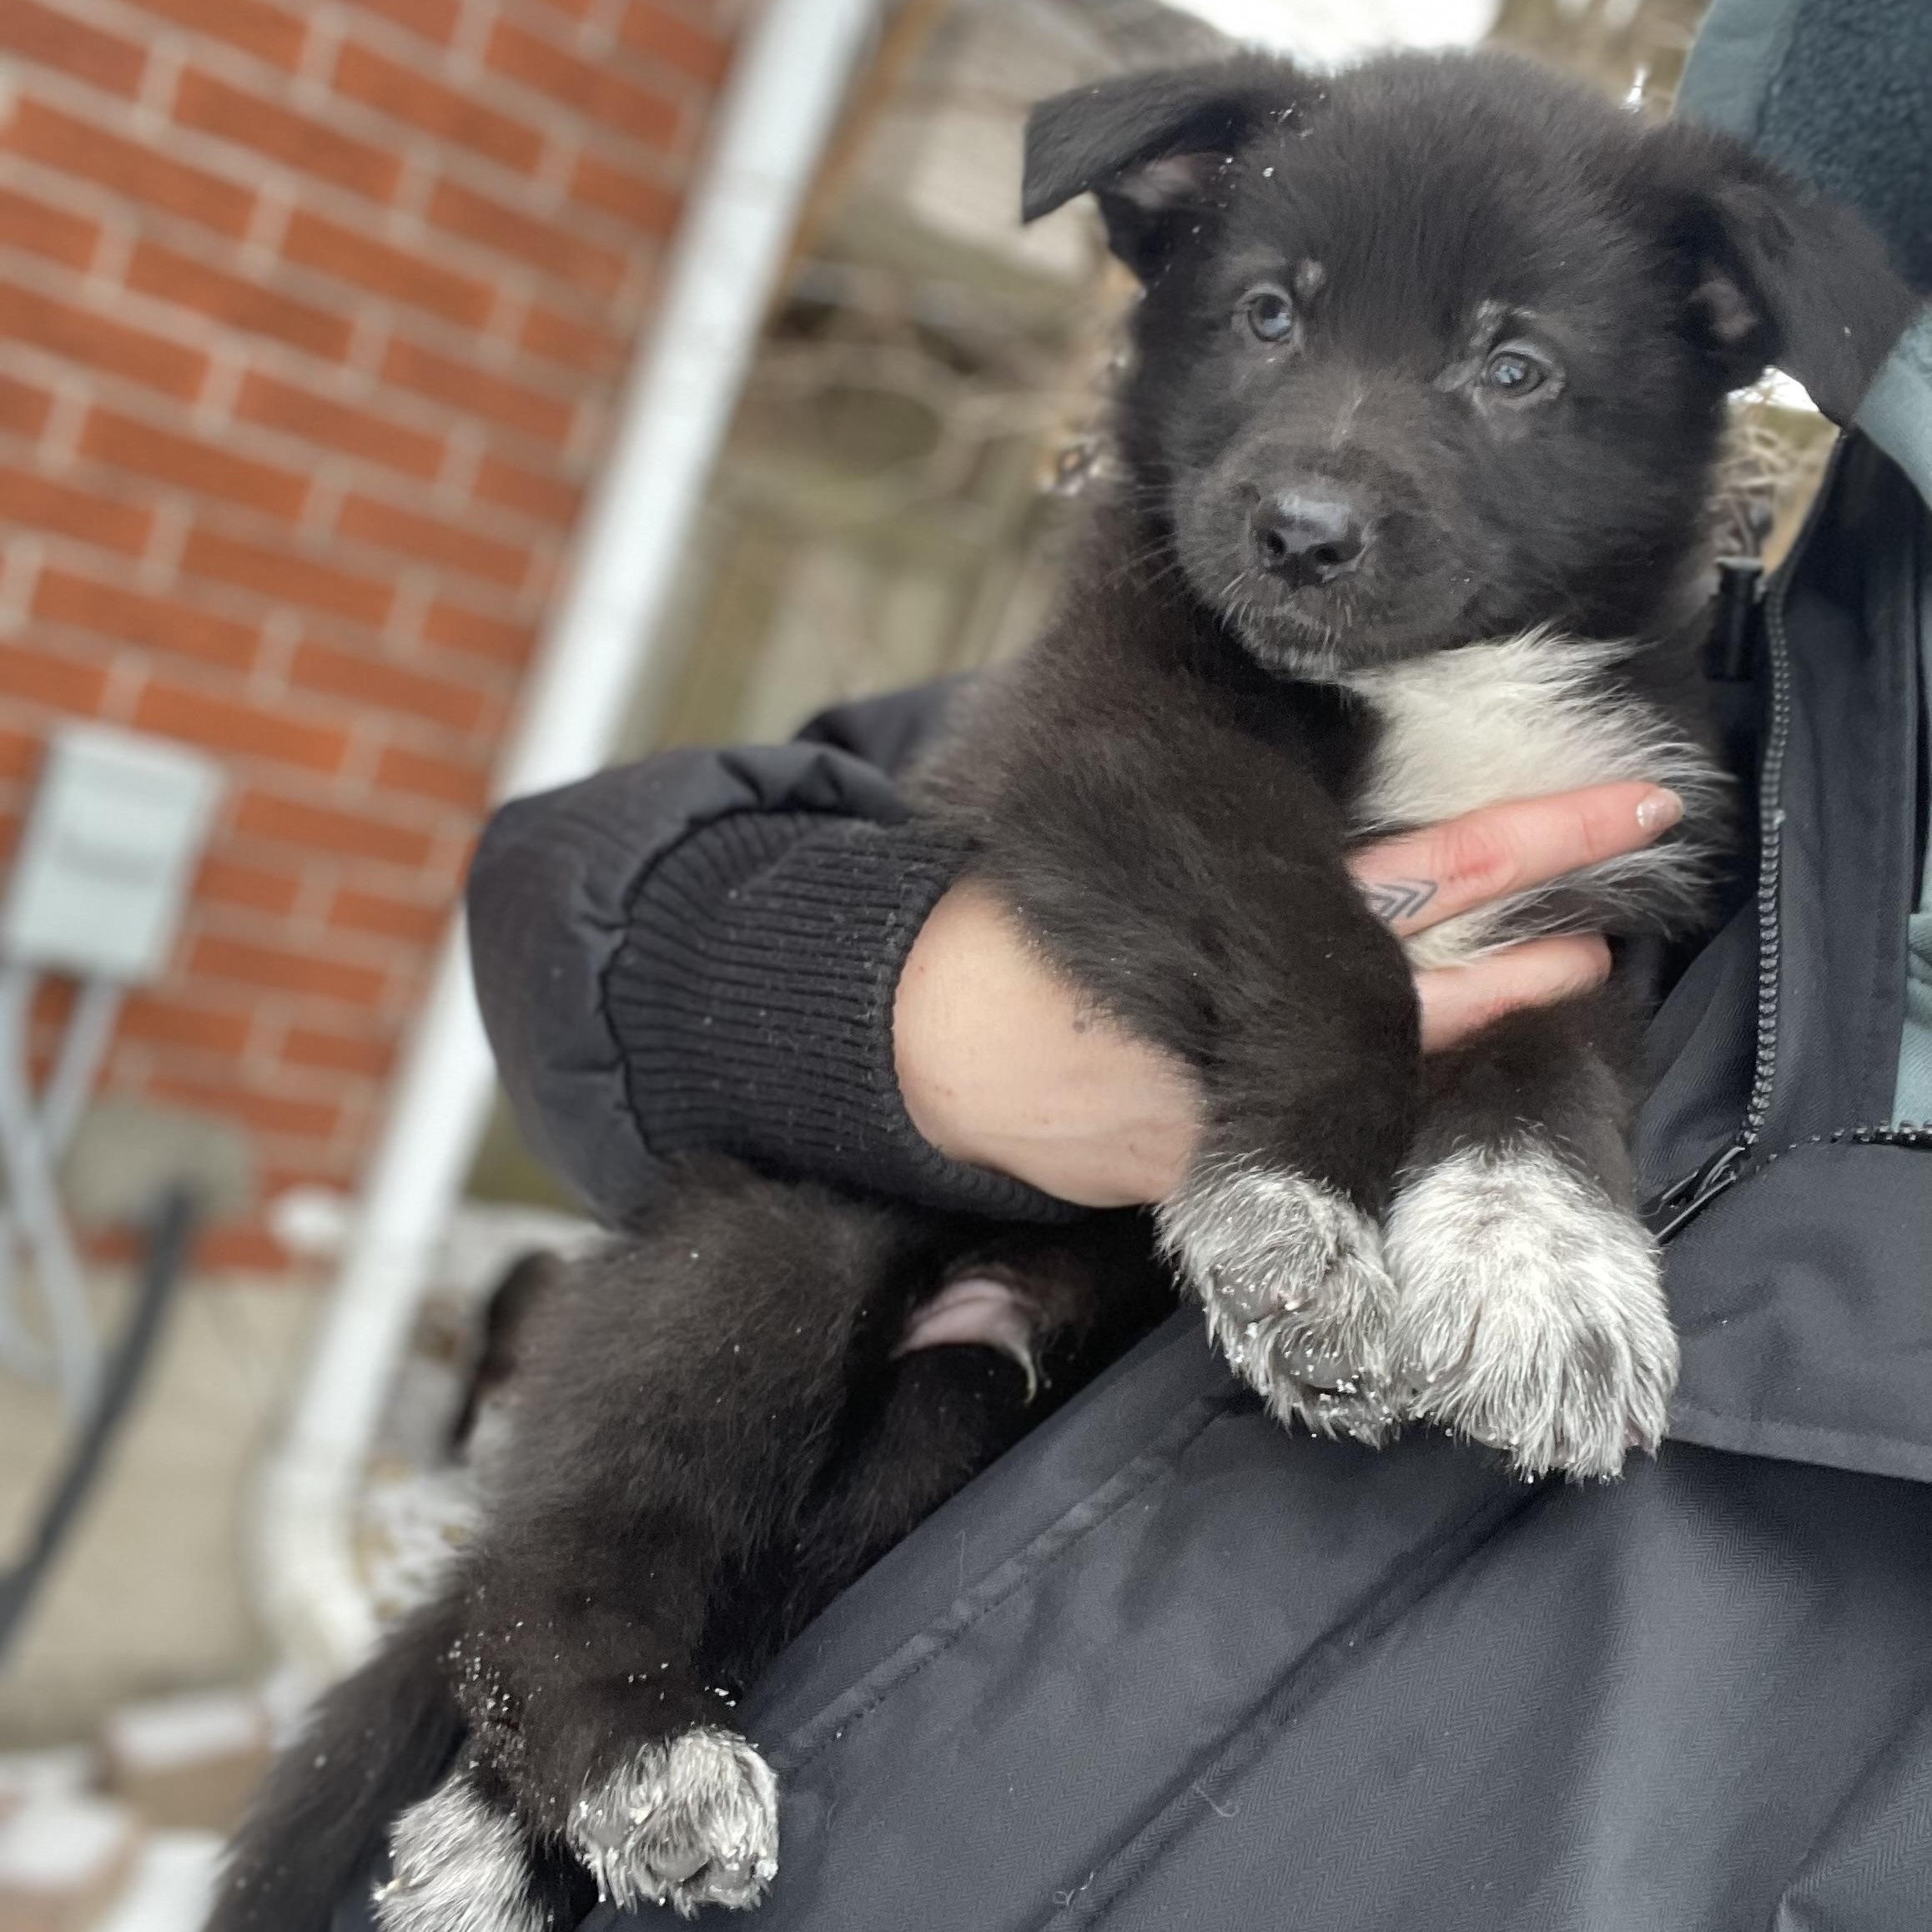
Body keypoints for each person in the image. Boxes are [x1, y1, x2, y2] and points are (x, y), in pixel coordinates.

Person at [342, 0, 1932, 1923]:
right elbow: (593, 882)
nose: (1327, 467)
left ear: (1708, 361)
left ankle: (552, 1757)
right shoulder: (1232, 650)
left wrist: (1510, 1159)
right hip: (912, 1419)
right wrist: (908, 1023)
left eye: (1510, 366)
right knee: (770, 1286)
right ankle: (561, 1720)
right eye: (1273, 313)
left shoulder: (1669, 744)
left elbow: (1547, 1002)